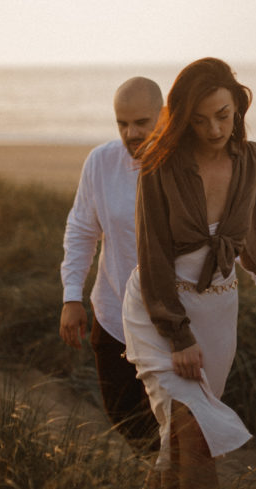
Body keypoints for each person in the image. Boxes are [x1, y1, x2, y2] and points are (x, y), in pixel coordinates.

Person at [121, 57, 256, 488]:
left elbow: (252, 232)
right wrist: (178, 335)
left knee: (178, 446)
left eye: (223, 116)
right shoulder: (159, 164)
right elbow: (153, 255)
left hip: (220, 313)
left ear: (238, 107)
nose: (215, 130)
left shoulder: (253, 159)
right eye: (200, 121)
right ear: (185, 120)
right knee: (196, 433)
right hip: (160, 312)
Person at [59, 76, 164, 447]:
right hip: (113, 312)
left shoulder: (183, 166)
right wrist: (72, 296)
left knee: (171, 422)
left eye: (141, 122)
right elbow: (81, 230)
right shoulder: (101, 162)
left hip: (171, 323)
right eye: (122, 123)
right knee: (124, 417)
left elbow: (225, 236)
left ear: (163, 117)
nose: (131, 133)